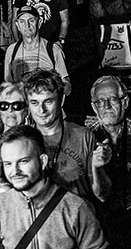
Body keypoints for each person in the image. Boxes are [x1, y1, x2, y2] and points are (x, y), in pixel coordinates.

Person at [23, 68, 105, 201]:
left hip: (77, 217)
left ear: (61, 100)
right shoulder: (23, 140)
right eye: (34, 103)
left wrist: (97, 168)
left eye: (48, 101)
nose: (41, 110)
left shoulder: (83, 136)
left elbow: (102, 195)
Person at [4, 8, 70, 90]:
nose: (27, 25)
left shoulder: (53, 50)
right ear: (17, 26)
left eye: (31, 21)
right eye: (22, 21)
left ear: (39, 23)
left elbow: (66, 84)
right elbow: (8, 84)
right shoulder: (11, 50)